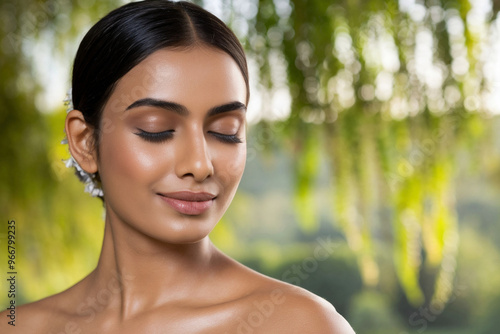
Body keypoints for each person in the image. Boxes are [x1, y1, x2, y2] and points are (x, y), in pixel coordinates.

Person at [1, 1, 355, 333]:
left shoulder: (298, 324)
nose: (200, 165)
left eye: (225, 132)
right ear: (84, 141)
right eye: (157, 129)